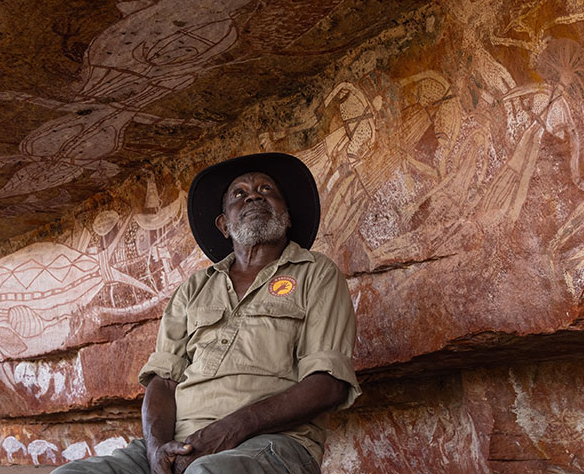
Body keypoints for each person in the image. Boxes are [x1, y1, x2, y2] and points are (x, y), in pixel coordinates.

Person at [53, 152, 360, 474]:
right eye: (239, 194)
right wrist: (158, 449)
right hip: (180, 443)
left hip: (273, 442)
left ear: (288, 216)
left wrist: (230, 429)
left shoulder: (316, 273)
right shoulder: (195, 287)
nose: (254, 195)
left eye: (267, 190)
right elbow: (163, 380)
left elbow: (328, 384)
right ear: (224, 224)